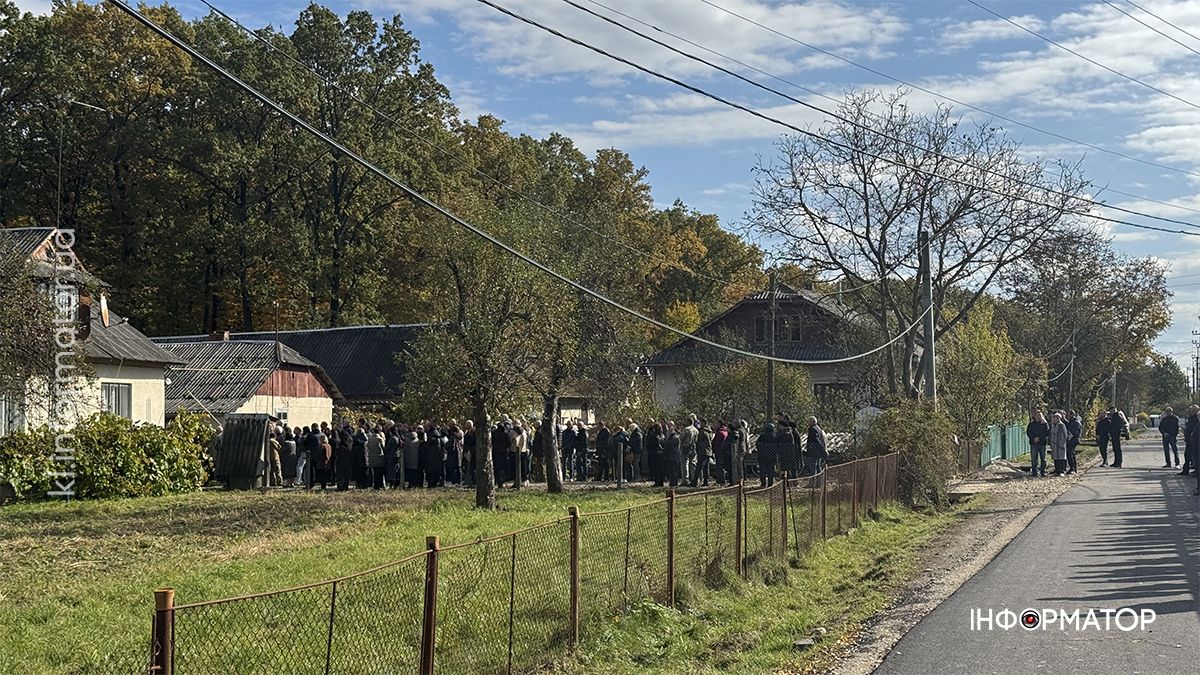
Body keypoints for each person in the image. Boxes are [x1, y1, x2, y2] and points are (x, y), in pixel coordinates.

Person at [1026, 411, 1050, 477]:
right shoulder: (1031, 424)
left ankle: (1043, 471)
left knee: (1043, 458)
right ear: (1035, 416)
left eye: (1040, 415)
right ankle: (1034, 472)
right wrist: (1034, 438)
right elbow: (1028, 432)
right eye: (1037, 415)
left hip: (1042, 443)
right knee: (1034, 458)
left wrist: (1039, 438)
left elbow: (1046, 432)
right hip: (1034, 443)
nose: (1038, 417)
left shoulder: (1045, 424)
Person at [692, 420, 714, 487]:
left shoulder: (702, 432)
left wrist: (697, 448)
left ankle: (694, 481)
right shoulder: (710, 431)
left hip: (703, 451)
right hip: (709, 451)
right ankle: (706, 481)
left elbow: (698, 441)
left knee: (699, 467)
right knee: (706, 468)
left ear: (704, 423)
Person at [757, 422, 777, 487]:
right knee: (770, 470)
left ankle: (763, 483)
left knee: (762, 470)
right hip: (771, 456)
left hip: (762, 456)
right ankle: (770, 483)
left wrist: (762, 449)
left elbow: (757, 444)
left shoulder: (762, 436)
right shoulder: (774, 436)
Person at [366, 424, 386, 489]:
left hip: (372, 458)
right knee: (379, 473)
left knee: (374, 472)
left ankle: (375, 485)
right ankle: (379, 485)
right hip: (379, 458)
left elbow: (367, 447)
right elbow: (383, 448)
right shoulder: (380, 439)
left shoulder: (370, 439)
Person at [679, 417, 698, 484]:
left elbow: (681, 438)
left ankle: (685, 480)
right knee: (693, 464)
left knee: (685, 464)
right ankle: (693, 479)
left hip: (685, 448)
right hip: (694, 448)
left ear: (688, 422)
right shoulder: (696, 430)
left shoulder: (686, 429)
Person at [1181, 405, 1199, 477]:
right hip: (1189, 440)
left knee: (1195, 456)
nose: (1191, 411)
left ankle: (1196, 471)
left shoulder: (1196, 418)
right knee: (1187, 455)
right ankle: (1186, 470)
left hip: (1195, 440)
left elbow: (1194, 429)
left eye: (1193, 410)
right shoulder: (1191, 418)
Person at [402, 424, 422, 488]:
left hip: (408, 459)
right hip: (416, 459)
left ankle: (410, 484)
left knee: (409, 472)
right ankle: (415, 483)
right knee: (415, 472)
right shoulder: (418, 441)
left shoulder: (406, 441)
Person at [663, 422, 681, 487]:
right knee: (674, 470)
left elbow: (670, 447)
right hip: (674, 456)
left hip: (672, 456)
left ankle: (673, 482)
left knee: (672, 470)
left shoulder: (673, 438)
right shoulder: (675, 438)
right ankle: (674, 482)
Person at [445, 421, 463, 485]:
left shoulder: (452, 437)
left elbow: (450, 445)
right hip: (458, 452)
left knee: (453, 468)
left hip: (453, 453)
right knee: (458, 467)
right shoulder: (458, 436)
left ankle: (454, 481)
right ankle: (459, 481)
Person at [647, 423, 664, 487]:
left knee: (656, 469)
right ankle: (660, 482)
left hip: (654, 453)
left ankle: (657, 482)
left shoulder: (653, 436)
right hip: (661, 453)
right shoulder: (662, 435)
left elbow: (649, 444)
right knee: (660, 469)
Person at [1064, 410, 1082, 475]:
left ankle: (1072, 467)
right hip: (1071, 440)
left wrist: (1068, 438)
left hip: (1074, 440)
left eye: (1068, 415)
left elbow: (1074, 432)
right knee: (1071, 454)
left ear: (1072, 414)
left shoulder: (1076, 422)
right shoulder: (1072, 421)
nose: (1067, 416)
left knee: (1070, 453)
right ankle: (1073, 468)